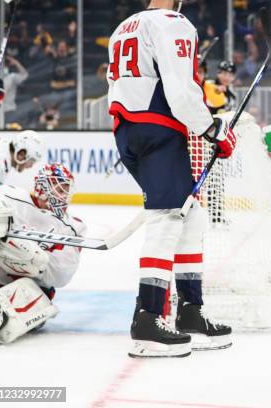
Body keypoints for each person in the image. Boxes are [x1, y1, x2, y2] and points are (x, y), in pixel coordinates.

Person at [107, 0, 236, 358]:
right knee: (167, 218)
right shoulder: (172, 22)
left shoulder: (124, 27)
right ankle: (147, 319)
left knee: (190, 213)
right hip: (159, 131)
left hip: (128, 131)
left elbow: (114, 86)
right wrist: (212, 130)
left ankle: (190, 311)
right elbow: (181, 91)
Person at [0, 163, 86, 344]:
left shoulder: (73, 227)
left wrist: (32, 259)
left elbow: (61, 276)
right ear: (43, 186)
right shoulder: (9, 196)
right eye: (60, 187)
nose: (64, 195)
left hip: (32, 286)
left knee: (36, 301)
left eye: (67, 189)